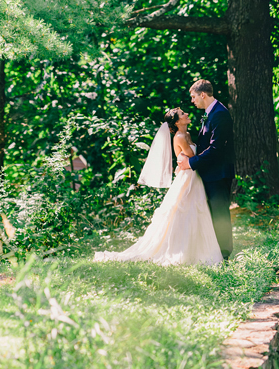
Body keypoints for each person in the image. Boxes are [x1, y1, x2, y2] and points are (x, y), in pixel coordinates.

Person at [93, 107, 223, 266]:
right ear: (177, 122)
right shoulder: (180, 137)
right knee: (183, 211)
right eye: (183, 114)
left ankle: (199, 250)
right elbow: (192, 156)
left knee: (197, 209)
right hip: (186, 179)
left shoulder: (187, 135)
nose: (187, 114)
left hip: (194, 177)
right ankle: (182, 250)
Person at [176, 79, 234, 259]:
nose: (192, 101)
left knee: (220, 213)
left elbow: (216, 149)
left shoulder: (219, 114)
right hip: (210, 173)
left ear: (202, 94)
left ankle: (224, 254)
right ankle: (215, 251)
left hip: (218, 173)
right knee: (213, 213)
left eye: (193, 97)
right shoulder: (211, 113)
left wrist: (191, 163)